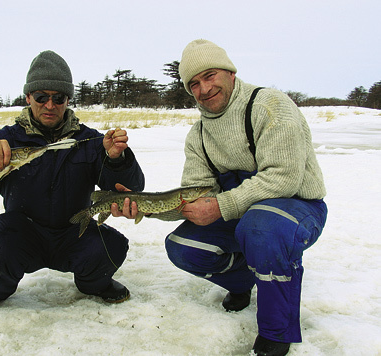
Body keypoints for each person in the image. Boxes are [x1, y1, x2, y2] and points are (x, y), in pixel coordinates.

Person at [112, 39, 327, 356]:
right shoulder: (198, 136)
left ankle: (276, 332)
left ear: (230, 73)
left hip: (296, 208)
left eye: (210, 75)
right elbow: (195, 198)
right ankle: (243, 282)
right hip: (243, 217)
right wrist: (146, 206)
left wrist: (222, 205)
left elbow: (284, 177)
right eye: (194, 84)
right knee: (183, 247)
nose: (203, 88)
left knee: (262, 229)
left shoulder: (270, 106)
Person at [0, 50, 145, 316]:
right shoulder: (7, 140)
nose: (49, 105)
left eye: (58, 98)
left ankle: (94, 284)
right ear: (28, 98)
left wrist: (117, 159)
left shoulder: (92, 141)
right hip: (22, 231)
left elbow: (130, 188)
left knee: (110, 247)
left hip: (75, 229)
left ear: (67, 100)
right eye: (41, 97)